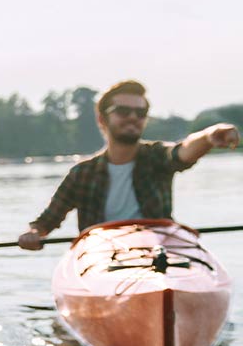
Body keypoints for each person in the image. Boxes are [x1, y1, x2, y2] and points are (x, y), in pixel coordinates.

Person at [18, 79, 239, 249]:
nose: (133, 117)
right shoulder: (82, 173)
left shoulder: (157, 157)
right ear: (102, 119)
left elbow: (183, 152)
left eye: (140, 113)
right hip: (101, 256)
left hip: (158, 252)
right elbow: (46, 222)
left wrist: (209, 136)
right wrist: (33, 234)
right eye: (123, 111)